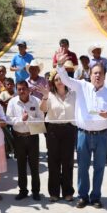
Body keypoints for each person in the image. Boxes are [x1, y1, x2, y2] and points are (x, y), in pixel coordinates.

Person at [56, 54, 107, 209]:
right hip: (83, 134)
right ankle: (82, 197)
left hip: (102, 136)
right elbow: (65, 80)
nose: (97, 76)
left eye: (100, 73)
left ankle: (96, 197)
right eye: (95, 73)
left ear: (104, 76)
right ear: (89, 75)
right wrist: (60, 66)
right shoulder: (81, 86)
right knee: (82, 168)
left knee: (99, 167)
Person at [38, 71, 77, 202]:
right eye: (56, 80)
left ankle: (67, 192)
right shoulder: (49, 95)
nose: (59, 81)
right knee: (53, 162)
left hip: (69, 129)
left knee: (68, 162)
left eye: (61, 79)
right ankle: (54, 192)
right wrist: (44, 97)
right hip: (53, 130)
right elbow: (42, 110)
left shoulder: (73, 94)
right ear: (53, 83)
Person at [6, 81, 44, 201]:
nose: (22, 91)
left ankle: (36, 191)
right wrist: (21, 120)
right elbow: (8, 119)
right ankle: (23, 190)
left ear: (28, 90)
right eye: (19, 89)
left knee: (34, 166)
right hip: (18, 137)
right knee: (21, 166)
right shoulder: (12, 102)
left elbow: (41, 119)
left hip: (32, 136)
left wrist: (30, 119)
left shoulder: (36, 101)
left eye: (24, 89)